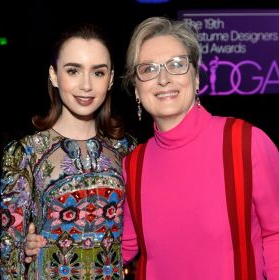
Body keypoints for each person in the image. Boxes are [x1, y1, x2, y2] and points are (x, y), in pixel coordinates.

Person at [23, 16, 279, 280]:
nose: (164, 79)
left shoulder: (244, 142)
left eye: (177, 64)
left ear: (197, 76)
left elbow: (276, 234)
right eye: (149, 69)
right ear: (136, 87)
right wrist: (47, 244)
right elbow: (116, 247)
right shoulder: (135, 163)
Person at [0, 22, 136, 279]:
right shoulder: (25, 154)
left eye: (98, 73)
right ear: (53, 75)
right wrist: (26, 247)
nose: (86, 85)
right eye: (73, 70)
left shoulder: (127, 150)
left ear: (109, 79)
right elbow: (11, 259)